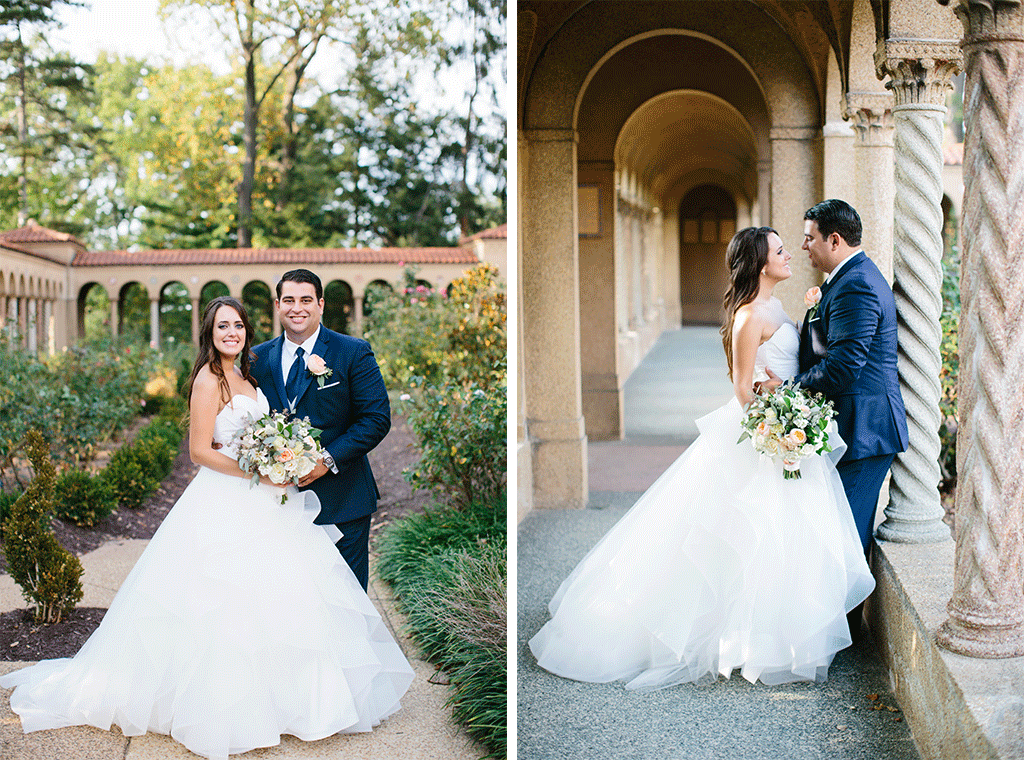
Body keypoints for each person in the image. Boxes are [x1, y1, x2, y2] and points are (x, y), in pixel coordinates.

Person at [0, 296, 414, 760]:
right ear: (209, 334)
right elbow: (200, 451)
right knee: (223, 603)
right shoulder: (208, 379)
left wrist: (278, 459)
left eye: (238, 325)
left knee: (280, 600)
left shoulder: (248, 374)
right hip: (228, 497)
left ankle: (284, 700)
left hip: (269, 501)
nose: (231, 333)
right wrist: (258, 470)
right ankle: (225, 707)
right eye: (222, 327)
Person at [529, 227, 875, 690]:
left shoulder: (777, 307)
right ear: (759, 263)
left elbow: (792, 363)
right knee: (744, 540)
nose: (790, 253)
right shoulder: (750, 316)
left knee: (780, 541)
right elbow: (741, 389)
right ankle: (728, 640)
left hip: (789, 429)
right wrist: (781, 421)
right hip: (768, 436)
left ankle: (770, 639)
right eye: (779, 251)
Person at [762, 199, 908, 554]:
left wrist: (786, 388)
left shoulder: (855, 285)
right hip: (855, 427)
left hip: (865, 430)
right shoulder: (846, 279)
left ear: (835, 240)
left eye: (810, 238)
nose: (803, 246)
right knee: (838, 535)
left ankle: (846, 613)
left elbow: (843, 367)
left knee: (844, 542)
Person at [250, 269, 390, 591]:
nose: (297, 308)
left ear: (321, 304)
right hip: (277, 504)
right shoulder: (257, 358)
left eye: (306, 300)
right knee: (291, 599)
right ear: (277, 305)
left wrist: (325, 459)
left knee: (347, 601)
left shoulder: (352, 351)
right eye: (289, 300)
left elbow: (376, 417)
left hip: (343, 500)